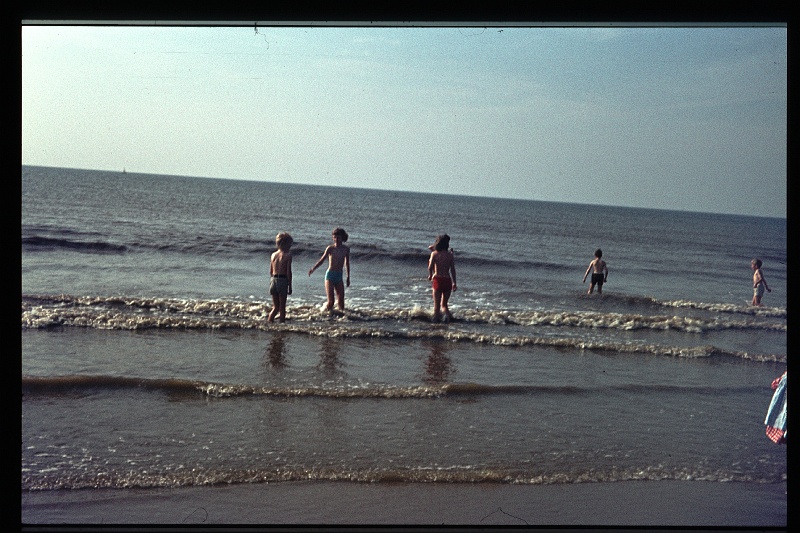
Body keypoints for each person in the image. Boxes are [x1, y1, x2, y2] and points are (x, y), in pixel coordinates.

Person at [308, 227, 351, 312]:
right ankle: (322, 314)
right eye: (334, 237)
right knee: (331, 301)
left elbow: (347, 263)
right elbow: (322, 260)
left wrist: (348, 277)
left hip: (339, 276)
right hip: (330, 275)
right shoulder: (330, 248)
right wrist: (313, 268)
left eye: (338, 237)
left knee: (341, 302)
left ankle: (342, 320)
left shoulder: (346, 249)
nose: (336, 239)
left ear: (342, 238)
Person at [428, 234, 457, 322]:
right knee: (444, 305)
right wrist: (454, 282)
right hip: (447, 280)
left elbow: (430, 267)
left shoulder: (434, 254)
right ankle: (448, 320)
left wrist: (430, 275)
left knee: (436, 307)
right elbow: (453, 270)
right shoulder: (450, 255)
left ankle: (434, 323)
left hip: (438, 280)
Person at [268, 232, 293, 323]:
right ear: (286, 244)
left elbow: (271, 271)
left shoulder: (273, 255)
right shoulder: (288, 255)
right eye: (290, 244)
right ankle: (282, 325)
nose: (290, 246)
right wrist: (290, 286)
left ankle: (269, 322)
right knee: (282, 308)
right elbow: (288, 272)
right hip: (282, 280)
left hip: (273, 280)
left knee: (275, 307)